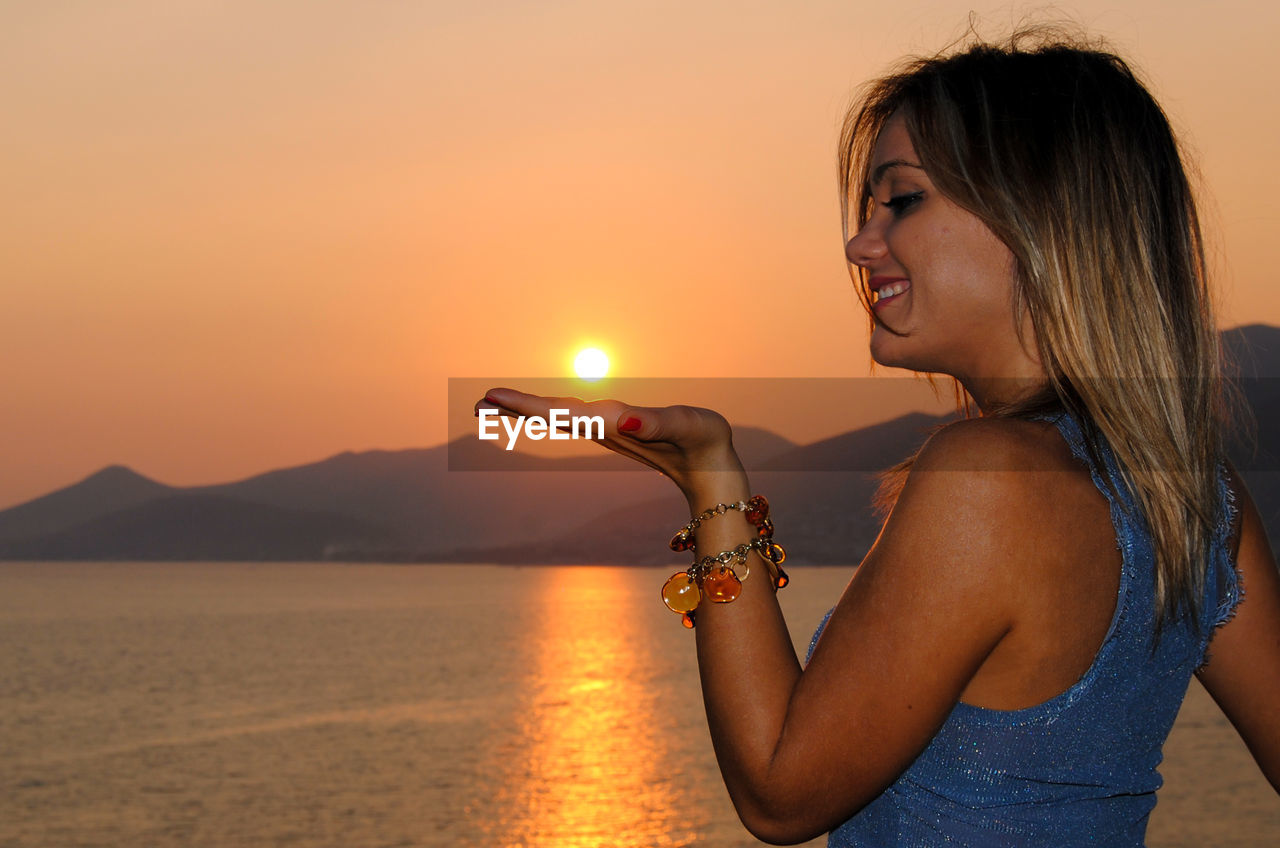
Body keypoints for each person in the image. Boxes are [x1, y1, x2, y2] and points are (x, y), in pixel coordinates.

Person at [478, 29, 1280, 847]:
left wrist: (712, 485)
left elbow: (780, 792)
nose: (860, 244)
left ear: (1040, 219)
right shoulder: (1199, 500)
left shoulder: (991, 478)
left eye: (901, 199)